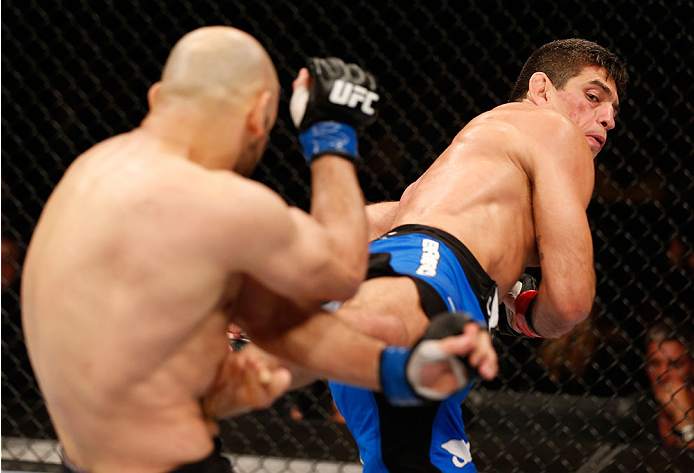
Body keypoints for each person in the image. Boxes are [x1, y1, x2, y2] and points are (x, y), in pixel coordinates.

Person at [21, 27, 488, 473]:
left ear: (158, 96)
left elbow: (278, 326)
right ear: (257, 114)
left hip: (80, 459)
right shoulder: (218, 201)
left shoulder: (88, 172)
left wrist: (401, 371)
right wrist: (331, 136)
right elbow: (344, 271)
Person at [318, 38, 629, 472]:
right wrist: (527, 313)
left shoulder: (461, 165)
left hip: (382, 289)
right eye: (593, 97)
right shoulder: (557, 133)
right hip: (430, 294)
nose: (608, 118)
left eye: (614, 109)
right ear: (542, 91)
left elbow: (384, 227)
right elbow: (572, 301)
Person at [645, 319, 694, 449]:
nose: (663, 374)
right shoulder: (635, 410)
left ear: (692, 367)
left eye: (675, 364)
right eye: (655, 364)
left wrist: (684, 419)